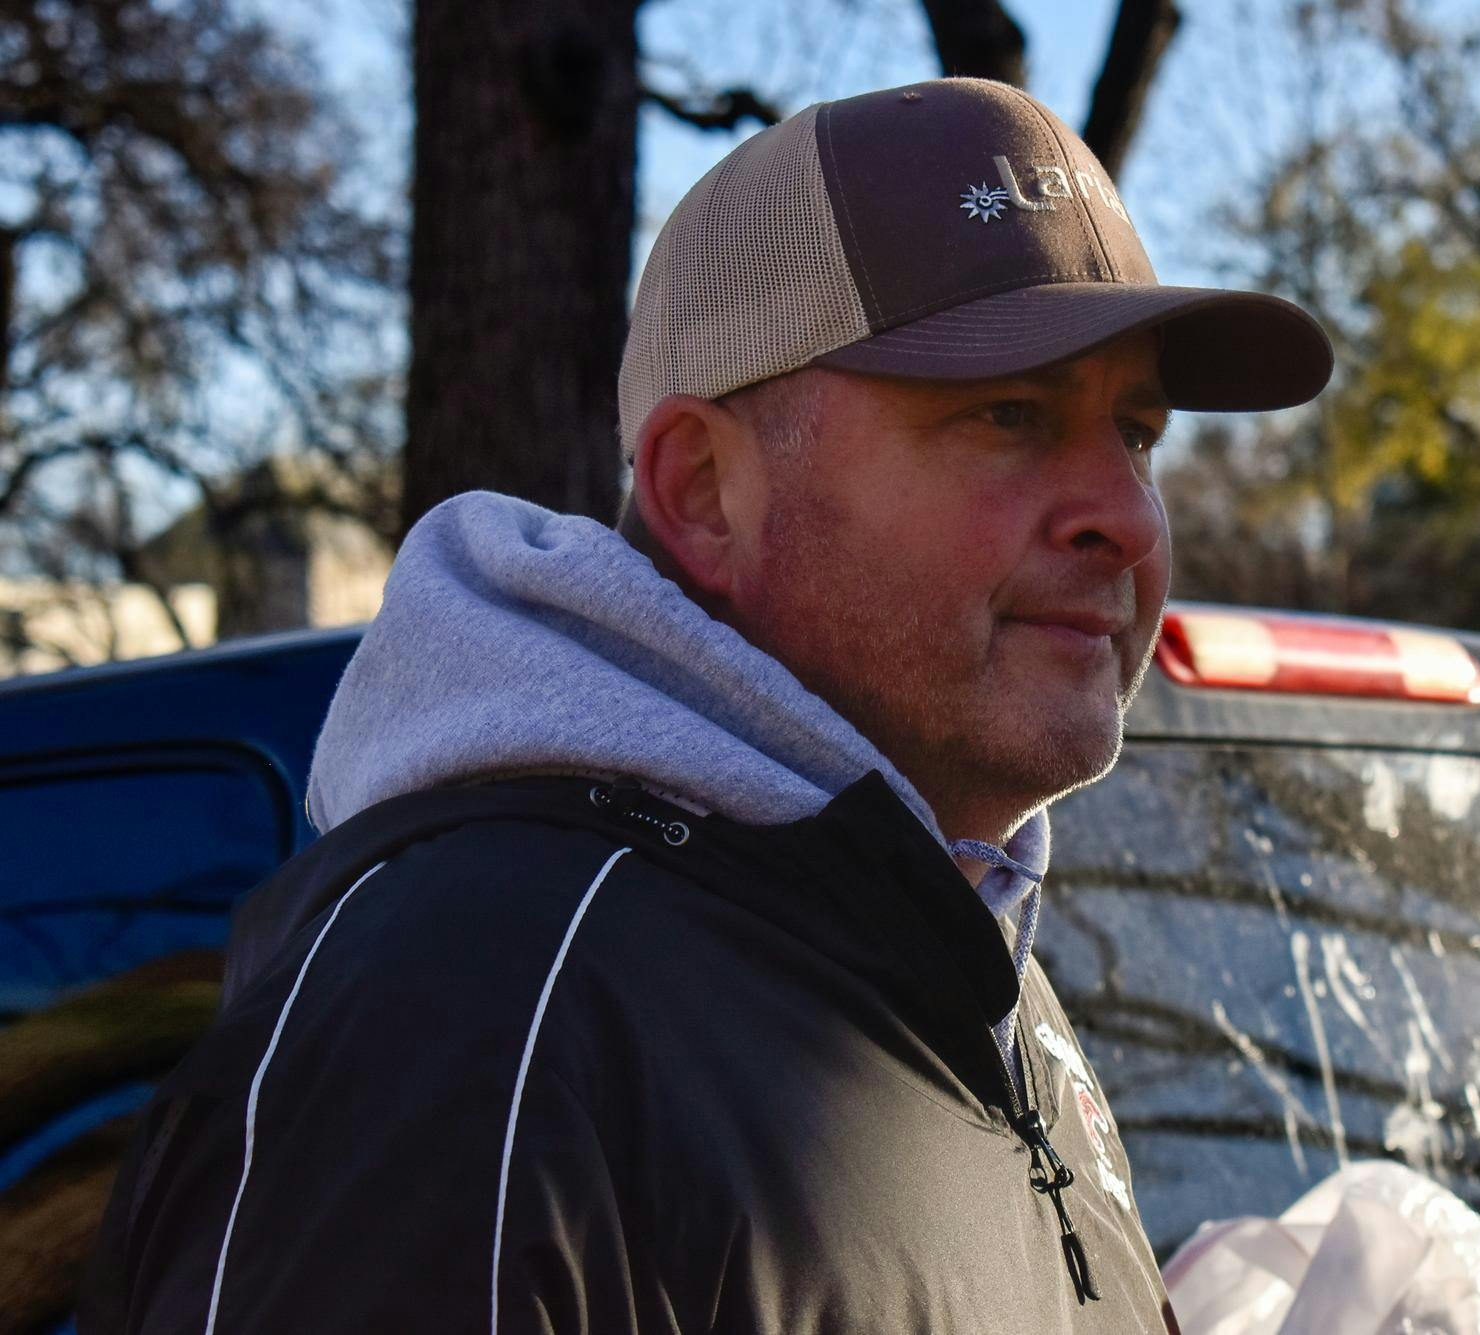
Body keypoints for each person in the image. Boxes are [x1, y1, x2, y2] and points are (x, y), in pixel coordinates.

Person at [81, 78, 1331, 1333]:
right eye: (1008, 413)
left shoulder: (960, 957)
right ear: (701, 489)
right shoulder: (474, 1017)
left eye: (1135, 431)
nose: (1122, 514)